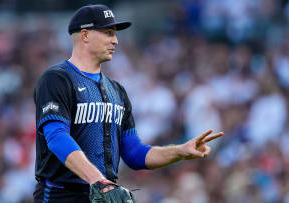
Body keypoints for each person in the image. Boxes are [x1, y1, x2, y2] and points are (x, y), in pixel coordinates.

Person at [33, 4, 224, 203]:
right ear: (85, 35)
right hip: (60, 195)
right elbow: (56, 136)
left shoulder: (117, 91)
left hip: (102, 195)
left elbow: (134, 153)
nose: (115, 40)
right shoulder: (57, 79)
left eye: (114, 34)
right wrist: (99, 181)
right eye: (108, 33)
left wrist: (179, 151)